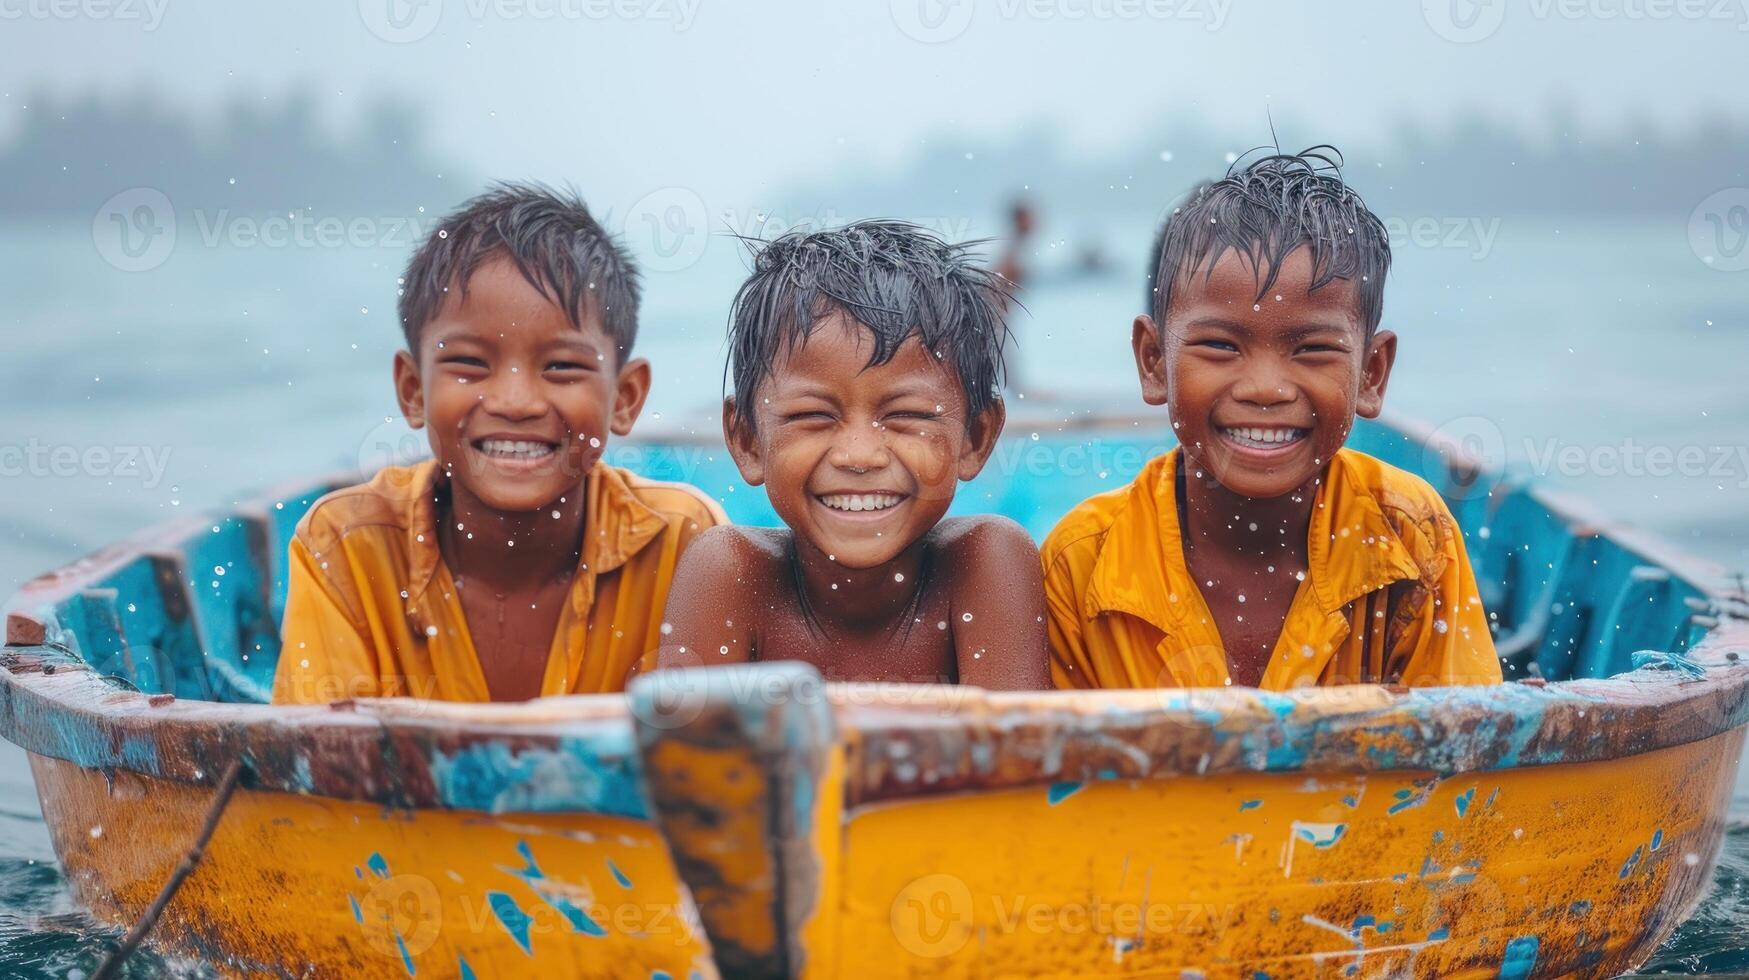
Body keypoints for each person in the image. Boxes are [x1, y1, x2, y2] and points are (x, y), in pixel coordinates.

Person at [1042, 148, 1502, 691]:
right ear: (1153, 362)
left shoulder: (1411, 536)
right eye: (1219, 345)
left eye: (1311, 349)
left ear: (1371, 374)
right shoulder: (1082, 562)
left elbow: (1463, 749)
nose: (1266, 388)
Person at [273, 183, 723, 704]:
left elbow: (717, 757)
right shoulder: (348, 548)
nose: (515, 401)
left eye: (562, 367)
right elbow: (315, 766)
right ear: (413, 390)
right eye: (469, 364)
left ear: (624, 397)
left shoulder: (683, 545)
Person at [652, 221, 1049, 688]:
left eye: (907, 415)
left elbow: (1014, 753)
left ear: (975, 438)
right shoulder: (729, 574)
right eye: (812, 416)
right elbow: (689, 756)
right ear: (748, 440)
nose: (859, 455)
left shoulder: (984, 562)